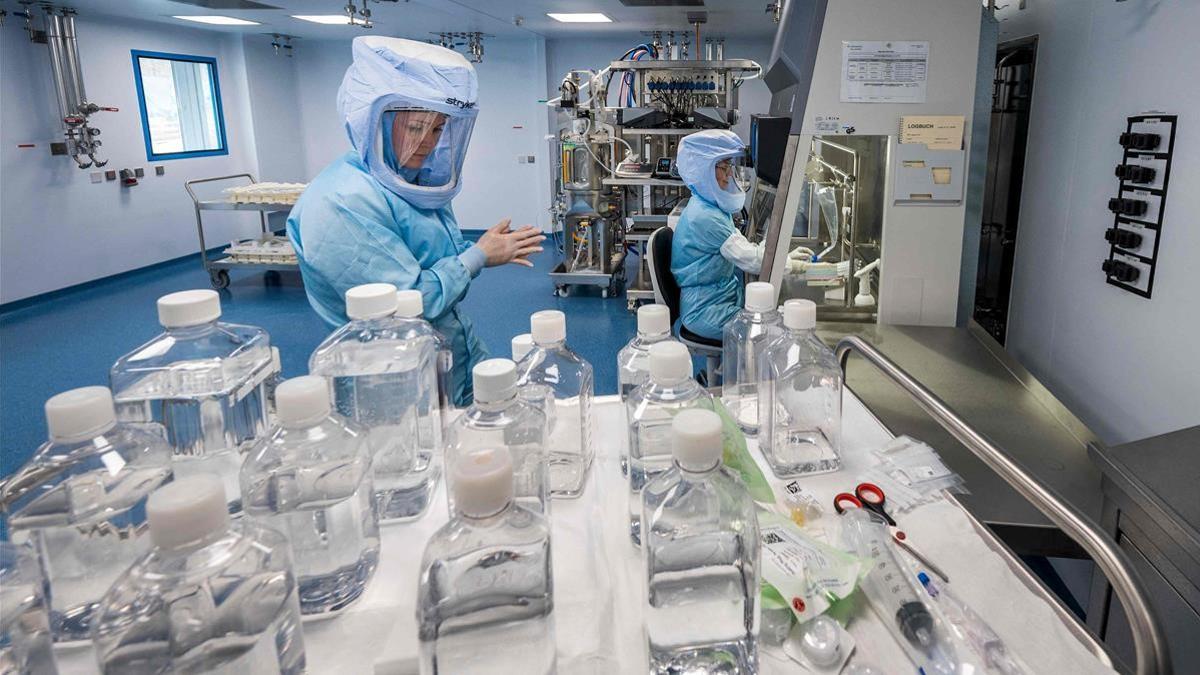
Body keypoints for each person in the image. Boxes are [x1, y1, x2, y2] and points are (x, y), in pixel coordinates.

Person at [287, 37, 544, 406]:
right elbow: (408, 305)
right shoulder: (340, 203)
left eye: (438, 129)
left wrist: (477, 253)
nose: (428, 142)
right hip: (393, 384)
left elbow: (446, 266)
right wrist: (477, 257)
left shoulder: (412, 182)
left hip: (452, 354)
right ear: (370, 120)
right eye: (415, 128)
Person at [670, 129, 763, 340]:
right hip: (704, 310)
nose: (729, 174)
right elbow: (754, 261)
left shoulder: (709, 205)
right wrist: (795, 265)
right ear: (704, 170)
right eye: (724, 167)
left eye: (730, 166)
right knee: (763, 331)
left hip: (720, 296)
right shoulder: (705, 216)